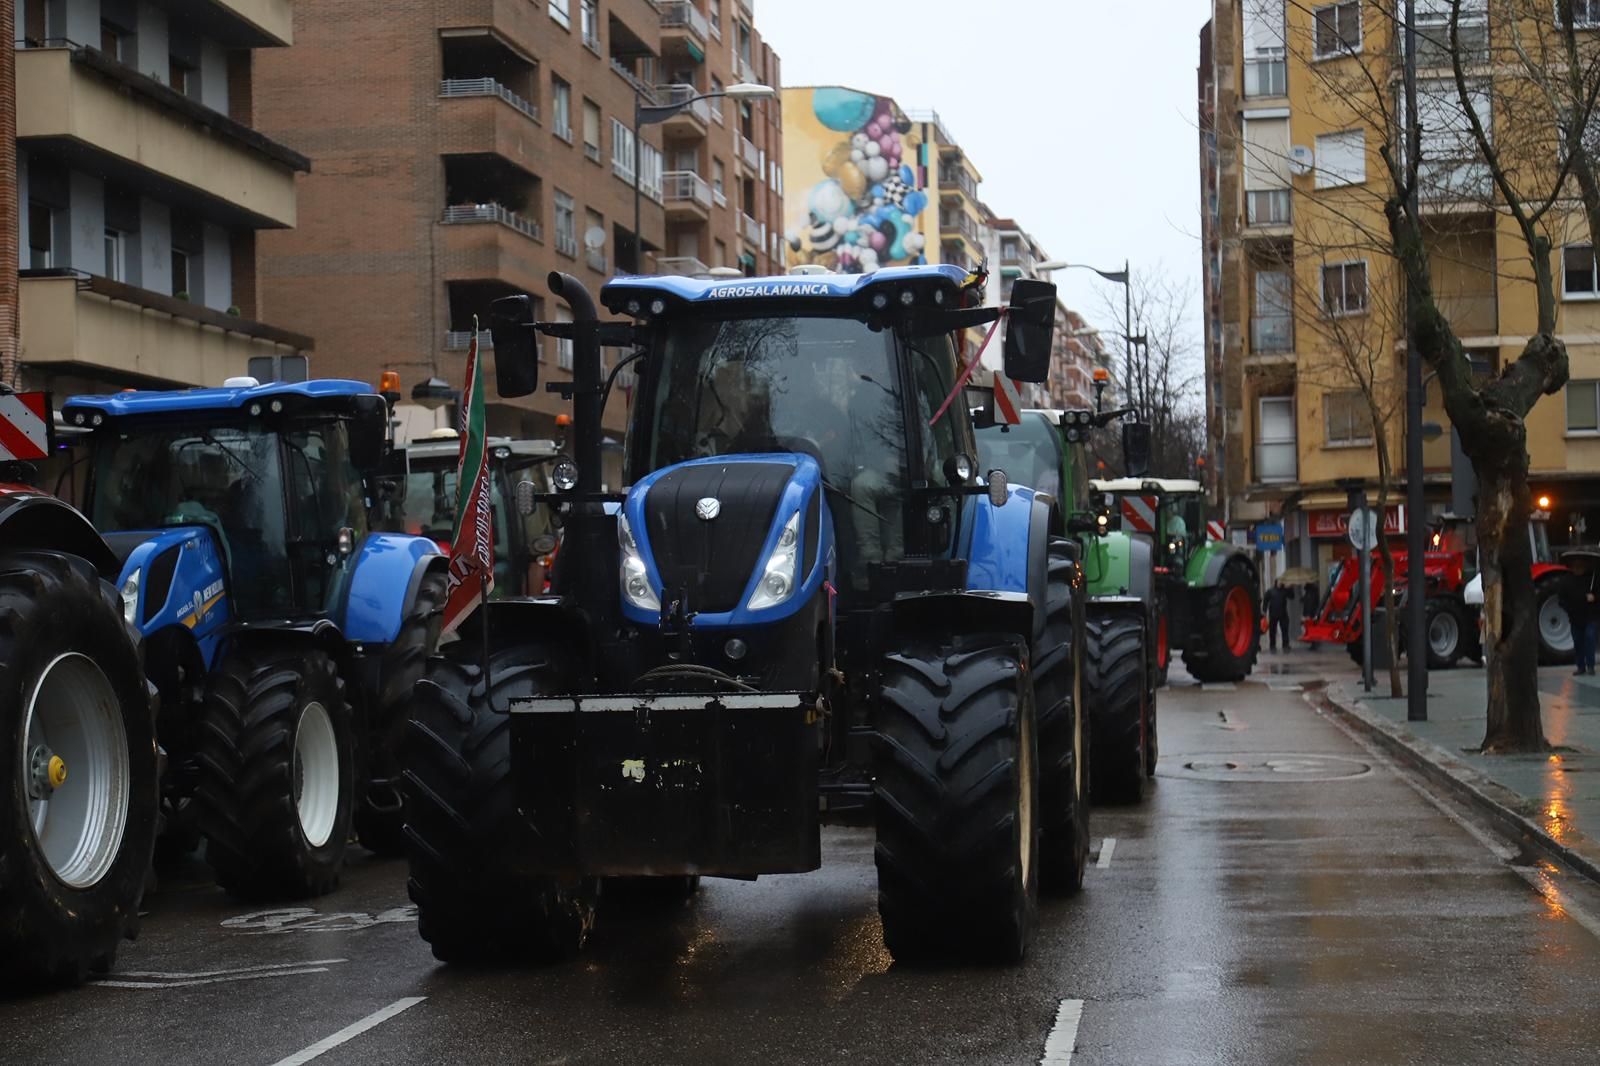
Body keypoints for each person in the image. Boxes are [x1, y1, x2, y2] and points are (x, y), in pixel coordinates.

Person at [1561, 556, 1599, 676]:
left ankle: (1591, 665)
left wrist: (1595, 597)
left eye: (1581, 565)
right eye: (1575, 565)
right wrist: (1569, 609)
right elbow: (1561, 599)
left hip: (1590, 616)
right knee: (1578, 641)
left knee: (1590, 638)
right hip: (1575, 617)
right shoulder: (1566, 580)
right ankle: (1581, 666)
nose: (1578, 568)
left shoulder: (1594, 579)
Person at [1267, 579, 1292, 653]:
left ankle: (1285, 644)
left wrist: (1290, 588)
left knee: (1285, 630)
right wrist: (1264, 610)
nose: (1280, 583)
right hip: (1273, 614)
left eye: (1281, 581)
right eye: (1279, 581)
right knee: (1272, 631)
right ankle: (1272, 645)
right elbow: (1266, 600)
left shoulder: (1285, 590)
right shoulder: (1271, 591)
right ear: (1276, 582)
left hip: (1283, 614)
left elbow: (1291, 596)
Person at [1301, 581, 1321, 649]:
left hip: (1310, 614)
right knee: (1311, 629)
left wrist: (1308, 615)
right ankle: (1314, 643)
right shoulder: (1311, 592)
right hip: (1311, 613)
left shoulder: (1310, 593)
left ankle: (1314, 643)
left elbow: (1310, 604)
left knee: (1311, 628)